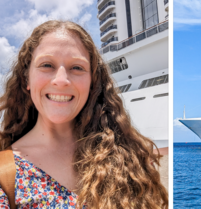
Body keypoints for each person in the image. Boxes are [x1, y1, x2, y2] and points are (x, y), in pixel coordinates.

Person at [0, 20, 168, 209]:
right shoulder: (5, 174)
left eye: (77, 67)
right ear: (26, 79)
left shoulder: (129, 160)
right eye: (47, 65)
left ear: (92, 82)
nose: (61, 80)